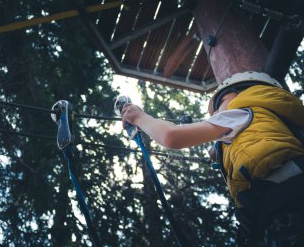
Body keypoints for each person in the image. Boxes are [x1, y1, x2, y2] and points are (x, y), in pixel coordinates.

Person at [120, 71, 304, 246]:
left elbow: (171, 136)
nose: (215, 114)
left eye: (220, 102)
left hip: (284, 207)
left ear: (241, 94)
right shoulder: (277, 122)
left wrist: (138, 117)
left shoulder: (240, 113)